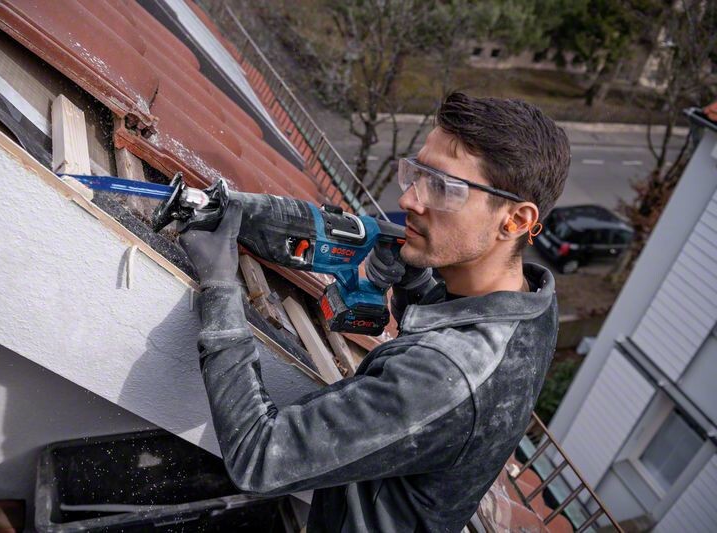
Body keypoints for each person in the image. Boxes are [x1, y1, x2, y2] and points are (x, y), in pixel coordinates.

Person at [179, 92, 570, 532]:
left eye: (443, 187)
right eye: (417, 174)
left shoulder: (443, 375)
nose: (409, 201)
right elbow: (457, 336)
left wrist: (219, 285)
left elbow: (259, 456)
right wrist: (414, 282)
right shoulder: (533, 303)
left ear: (516, 221)